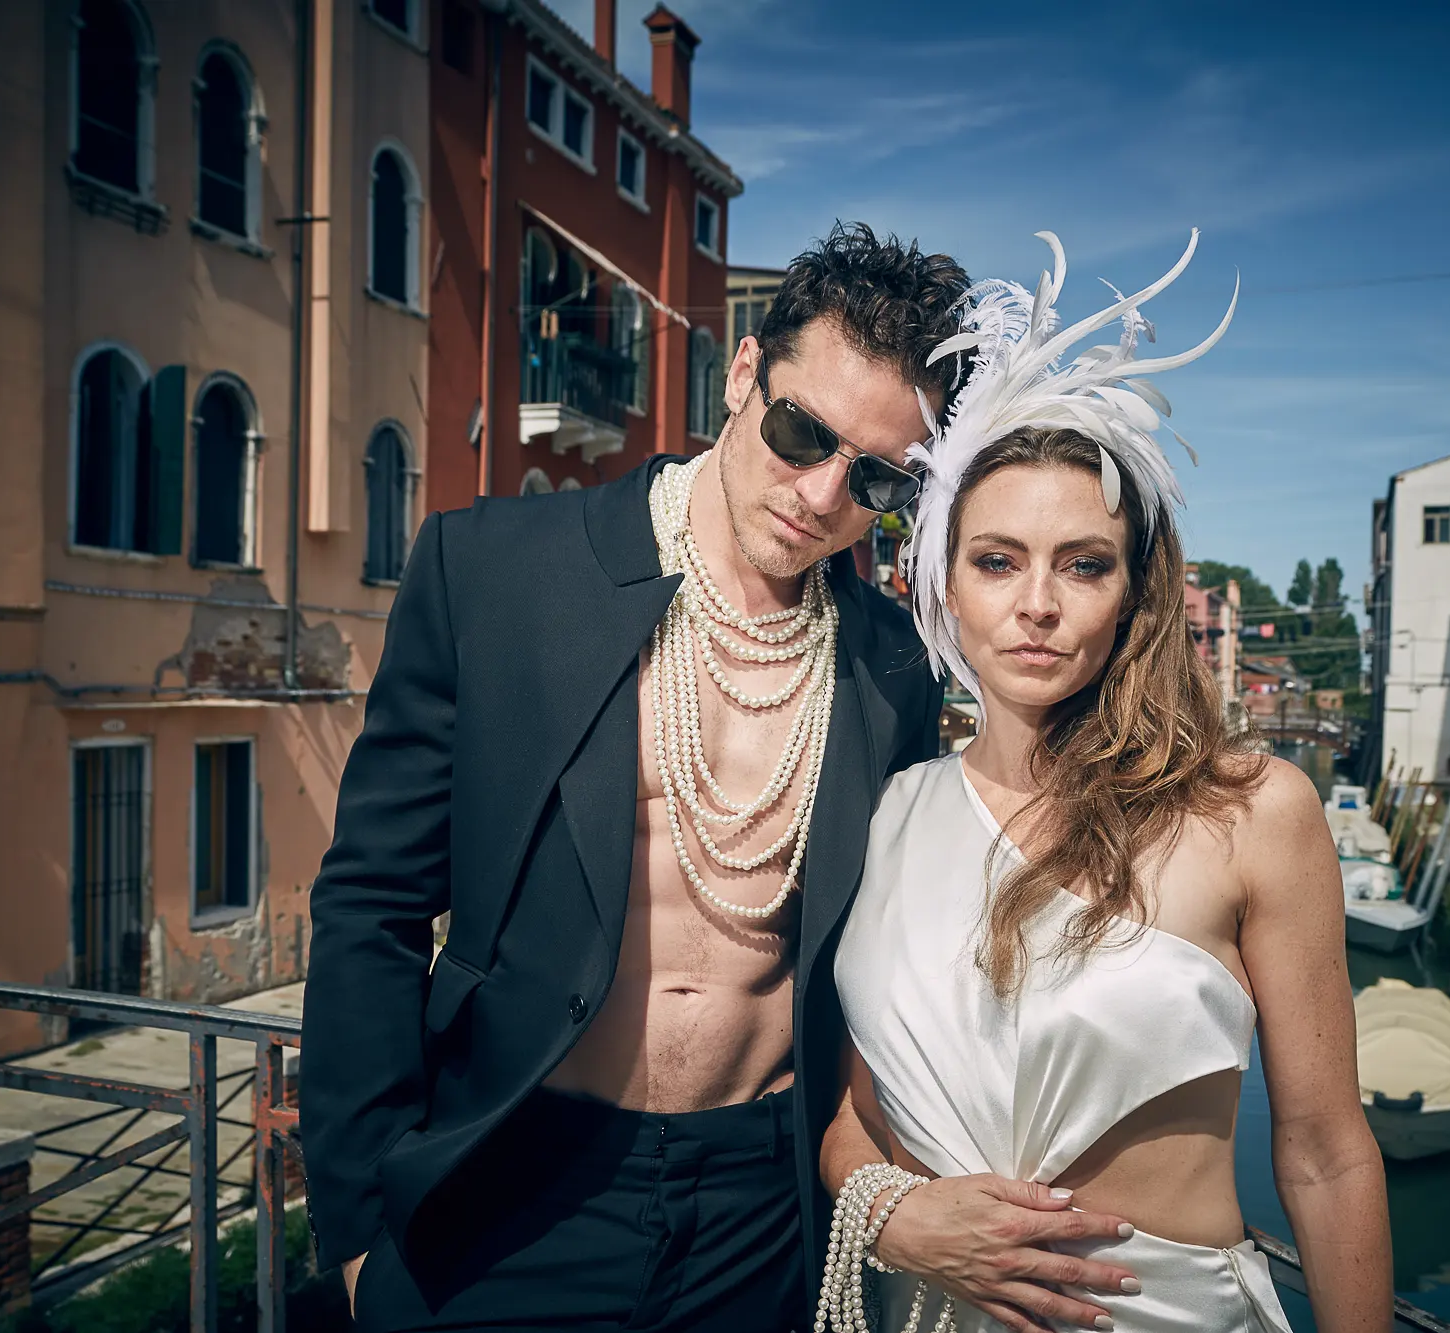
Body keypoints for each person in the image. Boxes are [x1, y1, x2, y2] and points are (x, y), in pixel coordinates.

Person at [299, 223, 970, 1332]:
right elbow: (371, 900)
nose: (819, 494)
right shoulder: (493, 570)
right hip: (513, 1179)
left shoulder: (894, 665)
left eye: (878, 477)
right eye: (802, 432)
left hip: (760, 1206)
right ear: (745, 373)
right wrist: (363, 1225)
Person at [821, 233, 1394, 1333]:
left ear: (1133, 593)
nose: (1036, 603)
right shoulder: (888, 811)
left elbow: (1323, 1154)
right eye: (996, 561)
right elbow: (849, 1115)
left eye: (1082, 562)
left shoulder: (1250, 814)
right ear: (941, 581)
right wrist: (891, 1217)